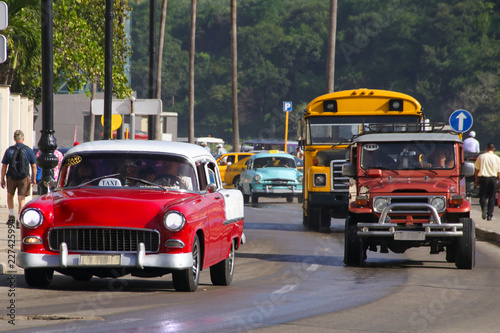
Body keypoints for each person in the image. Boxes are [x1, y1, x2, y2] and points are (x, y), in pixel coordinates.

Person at [1, 130, 37, 228]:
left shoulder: (9, 150)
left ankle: (12, 215)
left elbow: (4, 166)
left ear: (14, 139)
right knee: (21, 198)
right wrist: (34, 178)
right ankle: (19, 219)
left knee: (10, 195)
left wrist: (2, 179)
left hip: (11, 177)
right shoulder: (28, 150)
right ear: (23, 139)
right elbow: (34, 166)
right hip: (24, 177)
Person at [474, 143, 500, 221]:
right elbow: (499, 172)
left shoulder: (481, 157)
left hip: (483, 178)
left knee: (483, 196)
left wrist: (476, 180)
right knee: (492, 197)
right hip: (493, 178)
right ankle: (489, 215)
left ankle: (484, 207)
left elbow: (477, 170)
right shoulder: (497, 158)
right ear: (493, 149)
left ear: (486, 148)